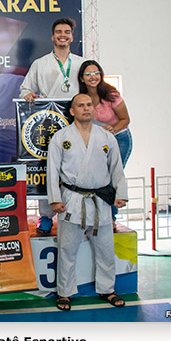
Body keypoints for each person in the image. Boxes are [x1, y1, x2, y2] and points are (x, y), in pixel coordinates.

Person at [47, 93, 128, 311]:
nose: (86, 108)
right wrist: (55, 199)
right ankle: (64, 292)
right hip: (72, 200)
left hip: (100, 200)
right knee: (67, 249)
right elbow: (52, 170)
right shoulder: (61, 137)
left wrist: (120, 193)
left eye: (89, 105)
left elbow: (116, 167)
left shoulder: (106, 137)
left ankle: (107, 289)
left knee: (105, 249)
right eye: (81, 105)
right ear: (72, 111)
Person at [19, 17, 86, 234]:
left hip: (76, 120)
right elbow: (25, 88)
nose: (62, 35)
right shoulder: (40, 63)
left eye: (67, 32)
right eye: (59, 32)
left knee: (77, 165)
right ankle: (46, 215)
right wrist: (28, 95)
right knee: (50, 167)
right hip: (49, 121)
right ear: (52, 36)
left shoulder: (82, 63)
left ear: (72, 37)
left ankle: (77, 211)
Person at [77, 60, 132, 227]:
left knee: (113, 177)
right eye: (88, 74)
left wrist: (113, 130)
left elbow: (125, 119)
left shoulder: (111, 94)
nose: (93, 77)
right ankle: (97, 215)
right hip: (97, 143)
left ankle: (111, 218)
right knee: (98, 178)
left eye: (96, 73)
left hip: (119, 139)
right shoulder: (81, 96)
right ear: (82, 78)